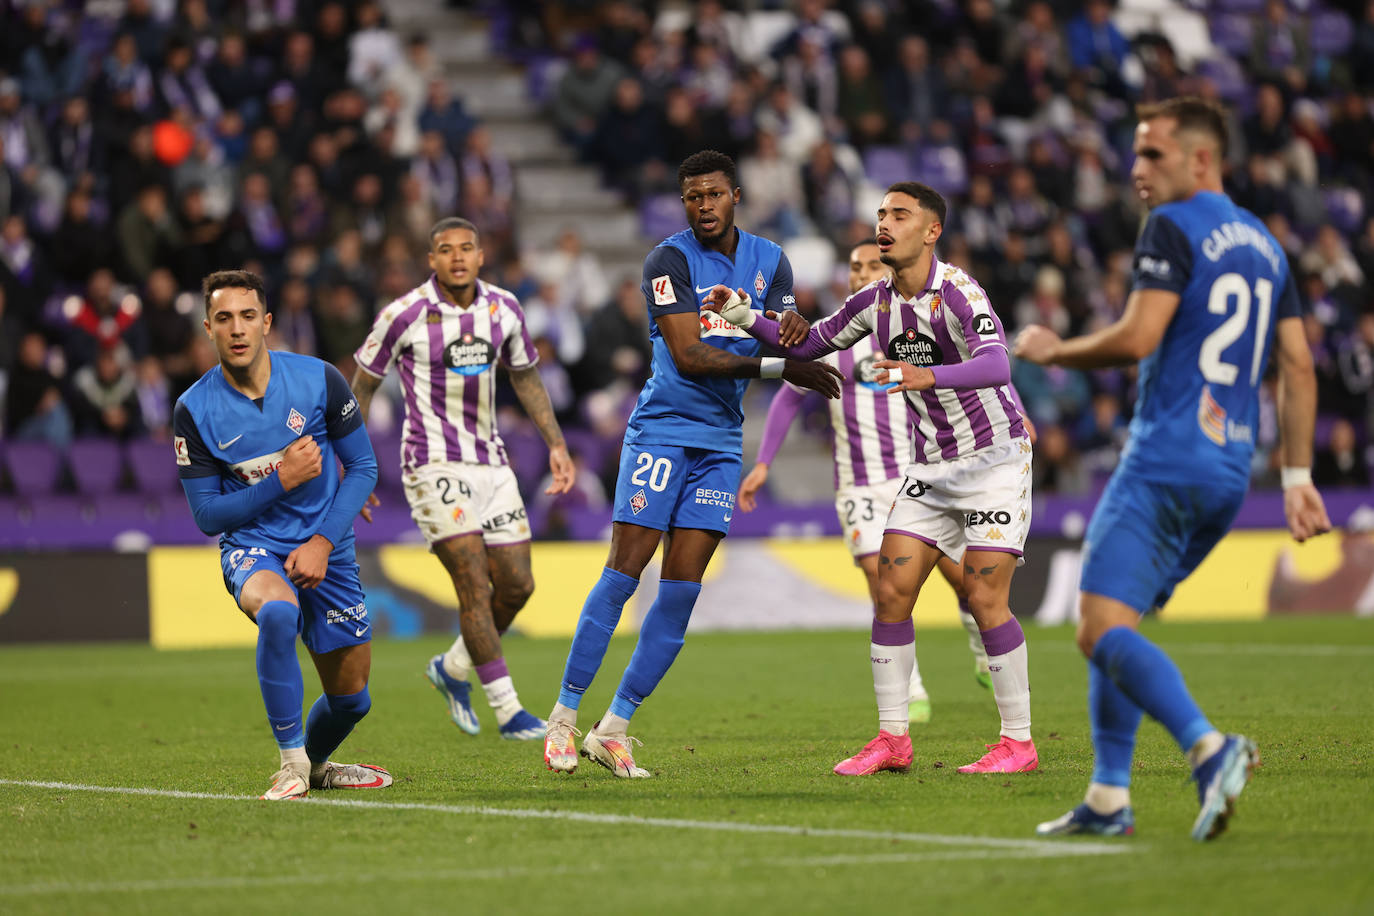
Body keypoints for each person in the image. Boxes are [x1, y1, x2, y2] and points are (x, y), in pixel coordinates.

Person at [1014, 97, 1330, 840]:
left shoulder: (1173, 227)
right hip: (1229, 471)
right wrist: (1296, 478)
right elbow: (1298, 367)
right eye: (1135, 153)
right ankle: (1108, 798)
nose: (1136, 168)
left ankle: (1208, 747)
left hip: (1164, 457)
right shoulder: (1266, 243)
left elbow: (1137, 336)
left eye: (1153, 153)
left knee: (1094, 630)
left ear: (1200, 159)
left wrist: (1057, 350)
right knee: (1115, 620)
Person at [706, 182, 1039, 777]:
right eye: (881, 214)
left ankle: (1018, 742)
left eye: (899, 215)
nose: (884, 223)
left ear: (931, 231)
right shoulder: (873, 304)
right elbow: (809, 343)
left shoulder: (958, 290)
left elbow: (997, 363)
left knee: (985, 597)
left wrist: (923, 375)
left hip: (992, 461)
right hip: (930, 469)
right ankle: (893, 739)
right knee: (889, 594)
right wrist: (740, 314)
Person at [542, 149, 843, 778]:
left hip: (722, 442)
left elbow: (783, 327)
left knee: (681, 593)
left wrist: (789, 328)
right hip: (663, 431)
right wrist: (779, 364)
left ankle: (614, 728)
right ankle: (563, 721)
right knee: (626, 572)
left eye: (713, 195)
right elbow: (688, 356)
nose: (703, 206)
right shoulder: (669, 260)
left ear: (736, 194)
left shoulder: (771, 259)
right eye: (692, 197)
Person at [350, 217, 574, 741]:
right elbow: (360, 386)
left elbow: (524, 375)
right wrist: (351, 462)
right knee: (473, 582)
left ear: (480, 256)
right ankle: (509, 709)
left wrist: (557, 444)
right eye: (445, 250)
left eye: (466, 249)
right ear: (431, 260)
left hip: (492, 464)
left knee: (517, 585)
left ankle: (451, 669)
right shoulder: (402, 315)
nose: (456, 257)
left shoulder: (505, 309)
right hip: (431, 465)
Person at [173, 269, 389, 800]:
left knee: (352, 701)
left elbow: (363, 467)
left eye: (248, 316)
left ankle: (315, 763)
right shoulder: (194, 410)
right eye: (224, 319)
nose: (237, 328)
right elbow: (207, 515)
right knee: (277, 611)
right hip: (254, 545)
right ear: (209, 328)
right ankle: (292, 764)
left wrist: (322, 542)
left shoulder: (319, 379)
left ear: (266, 322)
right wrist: (280, 480)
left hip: (325, 546)